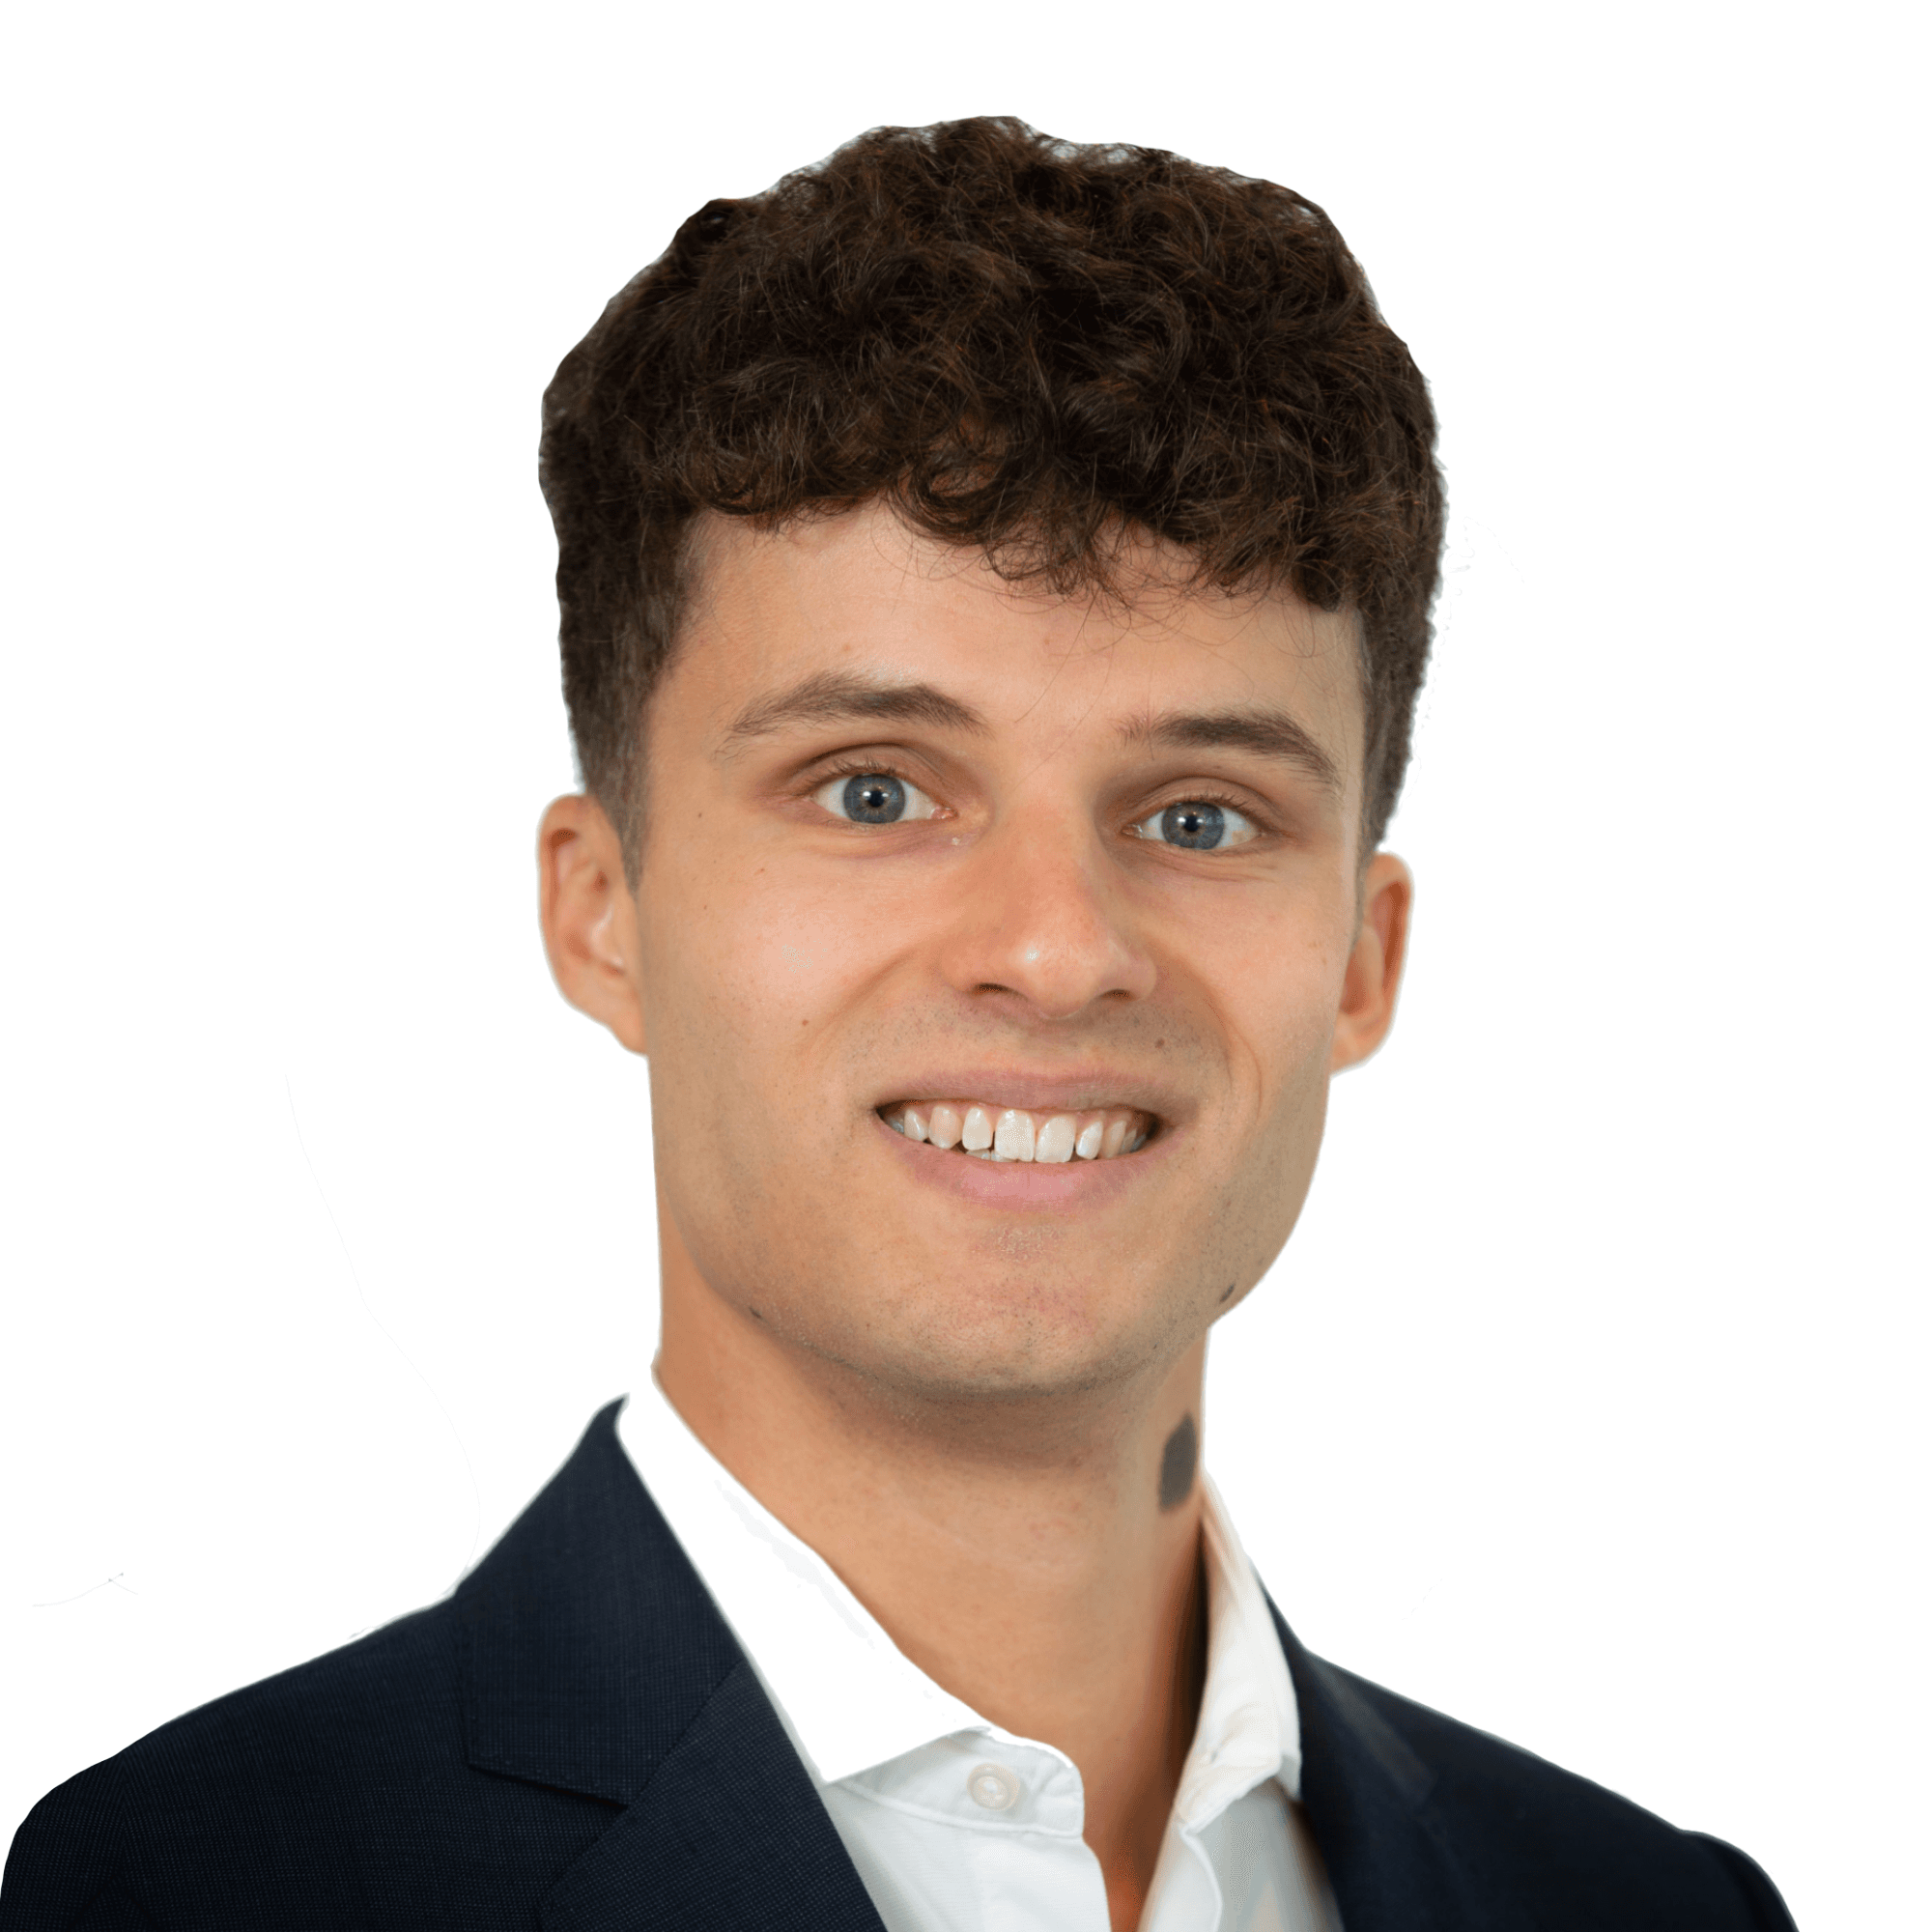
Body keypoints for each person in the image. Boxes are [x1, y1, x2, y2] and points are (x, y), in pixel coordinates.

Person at [1, 117, 1797, 1932]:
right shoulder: (184, 1894)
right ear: (601, 909)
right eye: (874, 790)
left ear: (1359, 958)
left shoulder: (1649, 1913)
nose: (1058, 950)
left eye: (1201, 816)